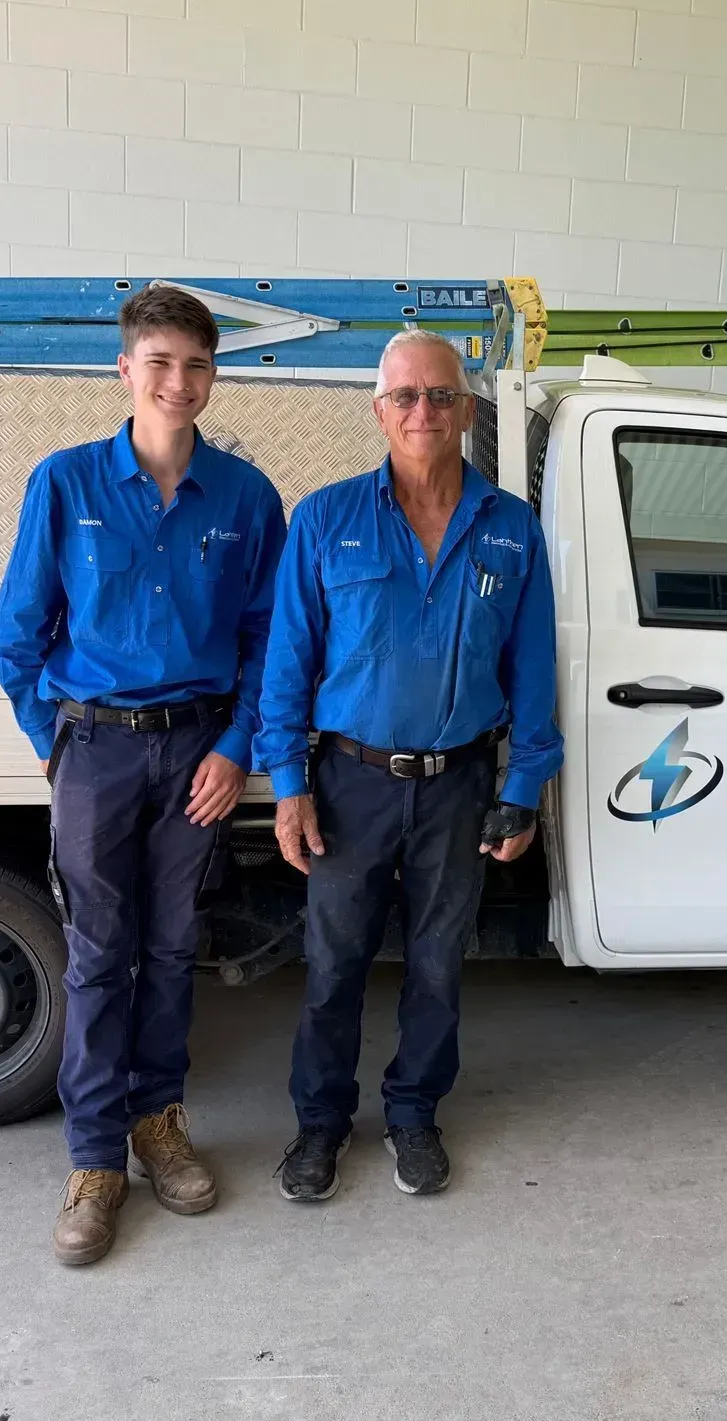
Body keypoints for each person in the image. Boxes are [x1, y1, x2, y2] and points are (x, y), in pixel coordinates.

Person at [0, 284, 286, 1265]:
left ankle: (159, 1128)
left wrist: (237, 745)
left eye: (197, 364)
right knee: (97, 956)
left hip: (196, 754)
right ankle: (93, 1163)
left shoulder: (246, 499)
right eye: (160, 362)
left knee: (168, 952)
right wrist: (53, 739)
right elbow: (14, 638)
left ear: (213, 375)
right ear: (125, 370)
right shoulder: (65, 485)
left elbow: (267, 643)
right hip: (98, 754)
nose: (180, 381)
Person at [256, 328, 562, 1201]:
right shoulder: (325, 520)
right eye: (405, 397)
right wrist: (289, 786)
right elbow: (286, 665)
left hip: (461, 785)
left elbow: (531, 672)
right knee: (334, 965)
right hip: (349, 783)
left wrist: (520, 790)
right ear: (379, 410)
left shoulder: (511, 530)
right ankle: (320, 1126)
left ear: (466, 409)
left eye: (439, 395)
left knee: (437, 964)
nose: (422, 410)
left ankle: (414, 1114)